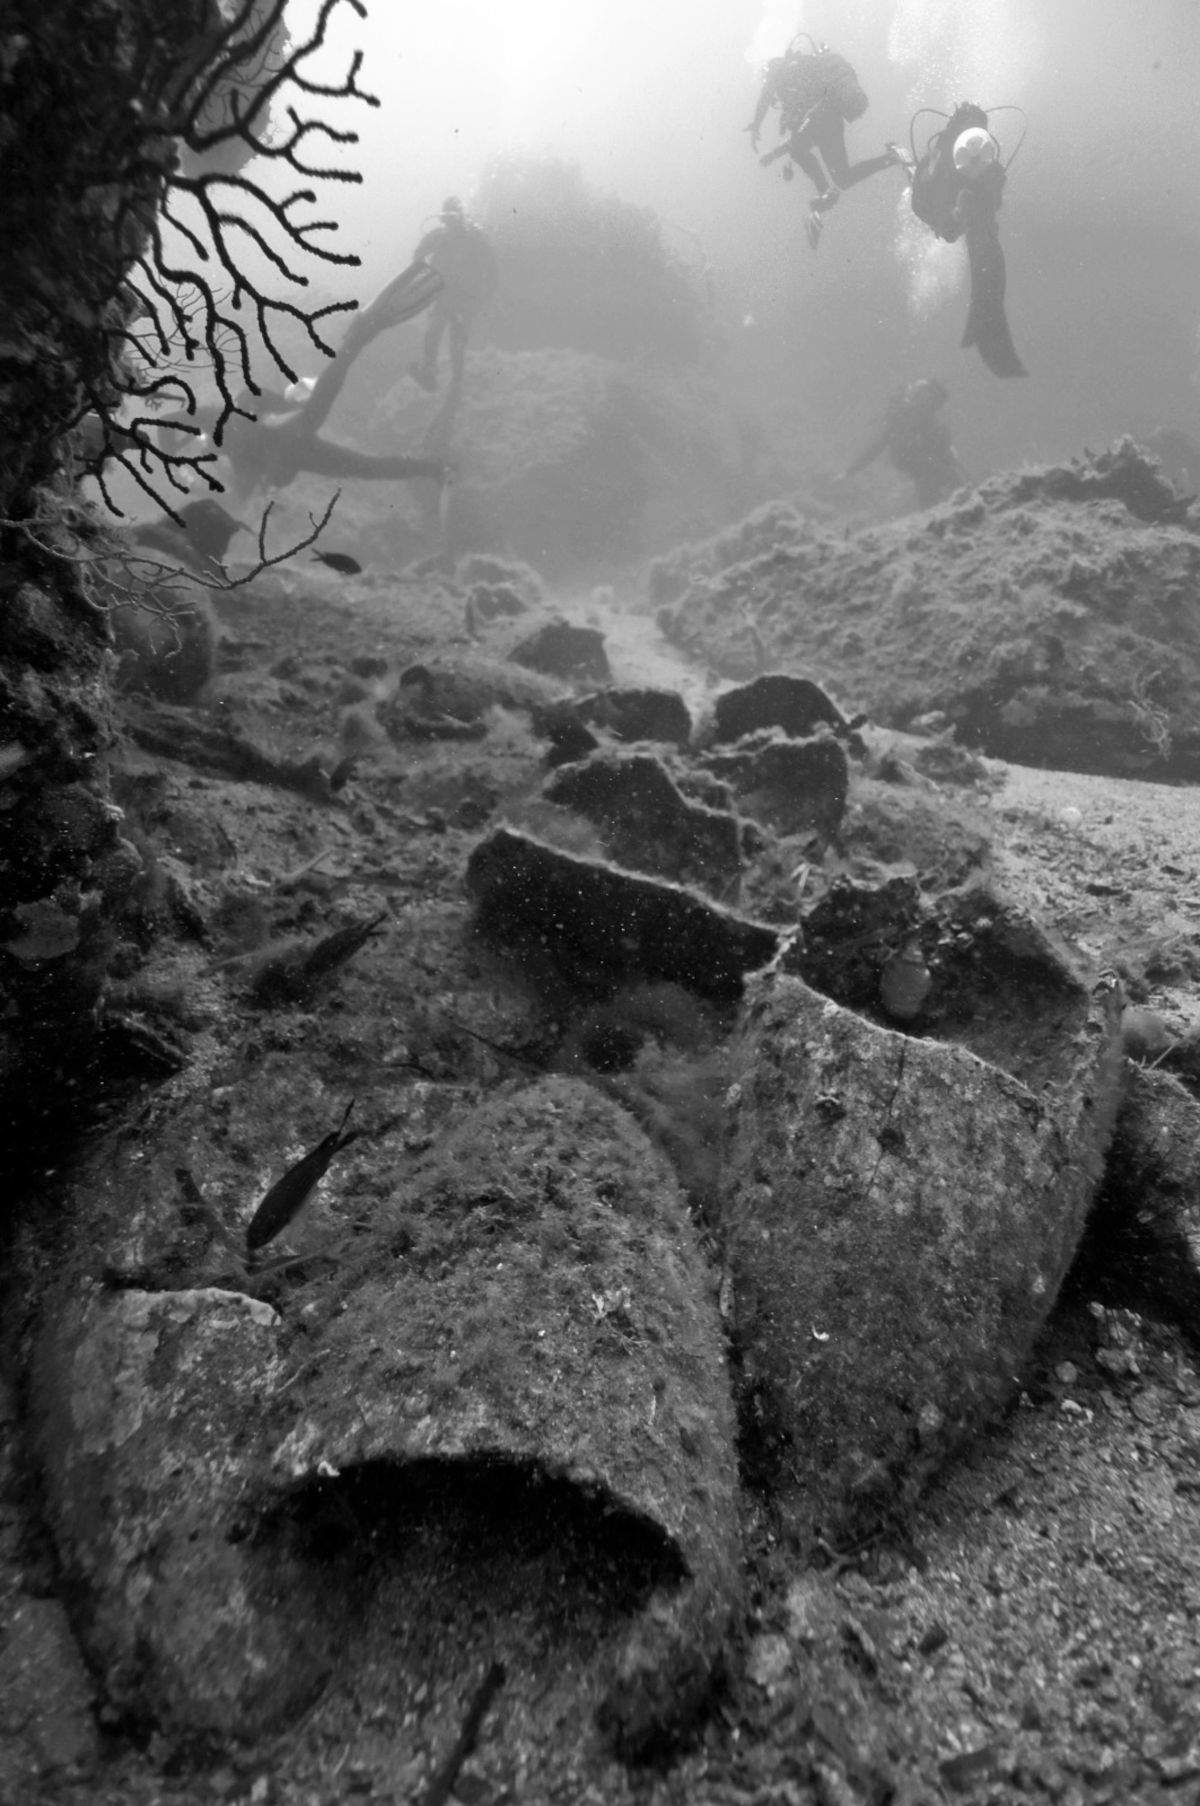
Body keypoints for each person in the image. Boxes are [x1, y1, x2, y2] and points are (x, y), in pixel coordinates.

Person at [900, 102, 1027, 378]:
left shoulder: (976, 156)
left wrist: (992, 187)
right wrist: (959, 212)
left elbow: (991, 203)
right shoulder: (944, 160)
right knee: (966, 226)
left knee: (982, 231)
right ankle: (906, 165)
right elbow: (947, 229)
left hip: (951, 206)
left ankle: (987, 319)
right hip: (931, 208)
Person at [747, 36, 902, 248]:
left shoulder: (777, 70)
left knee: (798, 150)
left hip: (815, 118)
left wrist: (756, 126)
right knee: (844, 178)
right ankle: (892, 157)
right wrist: (773, 155)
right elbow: (801, 137)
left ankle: (825, 192)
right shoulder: (807, 67)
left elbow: (769, 101)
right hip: (830, 118)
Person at [407, 197, 499, 393]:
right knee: (434, 332)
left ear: (461, 216)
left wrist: (487, 292)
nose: (450, 222)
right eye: (447, 218)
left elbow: (491, 266)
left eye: (453, 217)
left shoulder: (475, 236)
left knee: (456, 338)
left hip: (465, 295)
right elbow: (418, 256)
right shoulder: (439, 236)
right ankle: (430, 372)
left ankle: (456, 380)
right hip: (443, 293)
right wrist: (423, 274)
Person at [842, 378, 965, 511]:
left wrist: (950, 456)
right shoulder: (899, 416)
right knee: (933, 473)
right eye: (927, 399)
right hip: (907, 456)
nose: (930, 406)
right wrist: (851, 471)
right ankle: (937, 508)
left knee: (942, 474)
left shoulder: (928, 418)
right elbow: (876, 446)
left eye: (934, 403)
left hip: (921, 456)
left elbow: (941, 443)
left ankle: (943, 506)